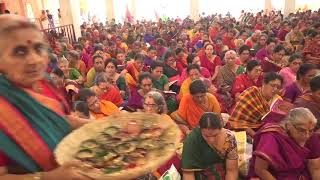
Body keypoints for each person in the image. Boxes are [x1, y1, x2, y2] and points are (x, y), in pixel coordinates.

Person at [0, 14, 90, 179]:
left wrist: (96, 126)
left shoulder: (45, 82)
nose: (33, 59)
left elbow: (59, 119)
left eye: (38, 48)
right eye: (19, 51)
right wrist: (49, 177)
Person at [248, 108, 317, 180]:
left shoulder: (312, 137)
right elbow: (260, 170)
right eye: (301, 130)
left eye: (311, 130)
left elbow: (315, 167)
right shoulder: (271, 136)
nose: (307, 135)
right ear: (289, 125)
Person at [181, 112, 238, 180]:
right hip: (200, 174)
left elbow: (231, 170)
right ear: (200, 129)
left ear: (221, 128)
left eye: (215, 135)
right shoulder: (192, 140)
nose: (211, 140)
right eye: (206, 136)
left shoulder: (229, 138)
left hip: (221, 171)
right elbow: (188, 174)